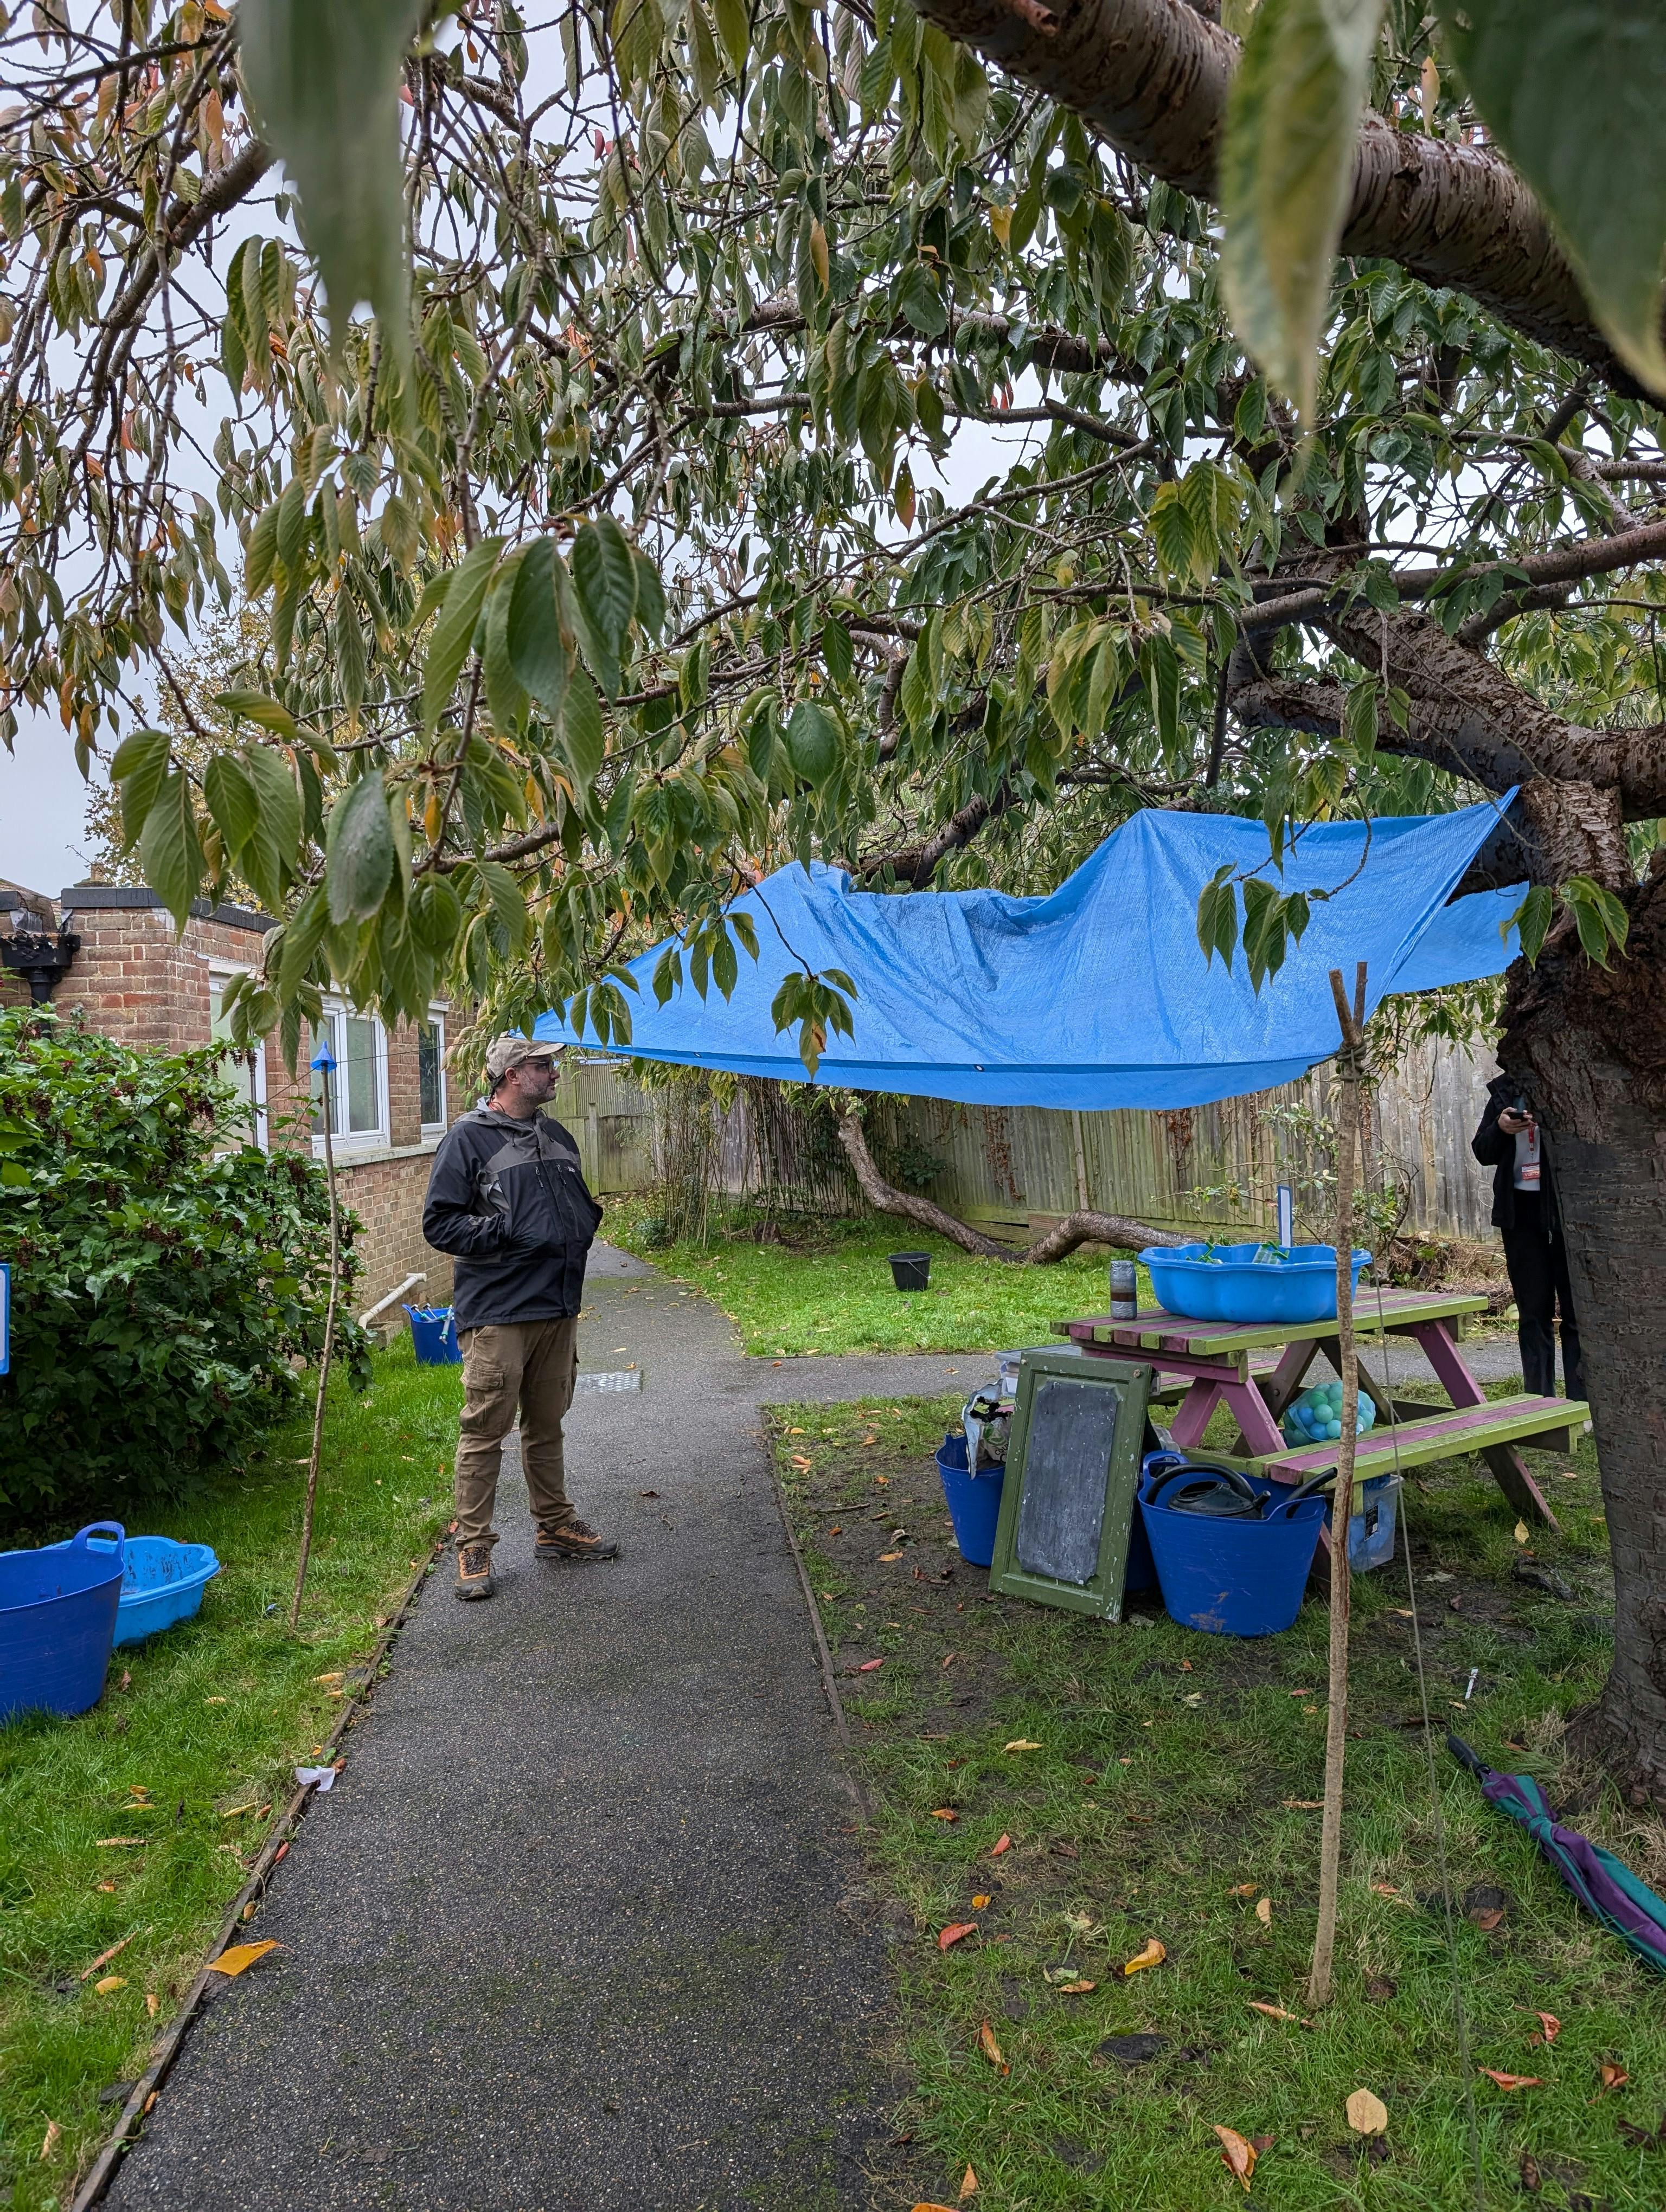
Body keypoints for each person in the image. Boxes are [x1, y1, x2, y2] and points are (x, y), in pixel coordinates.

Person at [422, 1034, 618, 1600]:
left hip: (558, 1304)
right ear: (511, 1075)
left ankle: (555, 1525)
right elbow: (440, 1224)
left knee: (547, 1423)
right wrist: (505, 1232)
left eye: (551, 1065)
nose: (554, 1073)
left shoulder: (555, 1134)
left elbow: (570, 1204)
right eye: (542, 1065)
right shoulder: (468, 1140)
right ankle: (475, 1544)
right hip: (501, 1312)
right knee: (485, 1432)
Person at [1471, 1075, 1585, 1405]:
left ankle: (1582, 1404)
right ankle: (1539, 1403)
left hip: (1569, 1219)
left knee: (1578, 1316)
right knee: (1533, 1315)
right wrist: (1500, 1128)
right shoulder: (1506, 1093)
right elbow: (1483, 1152)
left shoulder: (1571, 1085)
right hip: (1520, 1218)